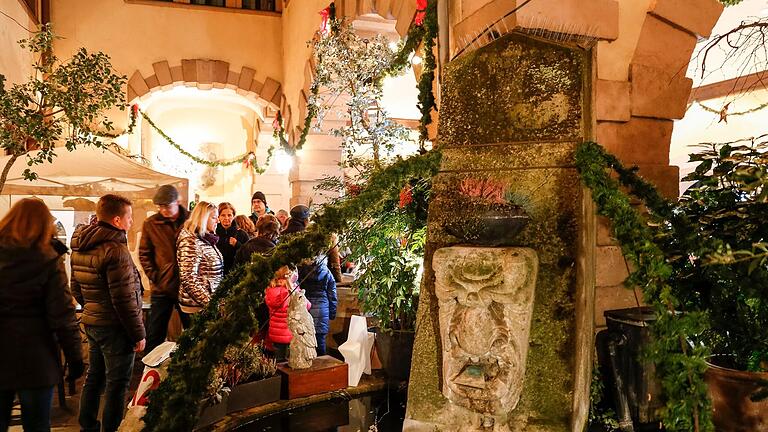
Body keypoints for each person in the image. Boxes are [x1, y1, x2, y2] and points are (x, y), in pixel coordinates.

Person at [0, 199, 84, 432]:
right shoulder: (48, 259)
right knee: (37, 425)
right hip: (36, 357)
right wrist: (75, 358)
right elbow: (63, 315)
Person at [71, 194, 145, 432]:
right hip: (116, 327)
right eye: (129, 217)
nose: (131, 222)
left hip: (93, 321)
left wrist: (93, 306)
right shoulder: (116, 250)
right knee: (117, 383)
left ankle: (87, 425)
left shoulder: (80, 246)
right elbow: (124, 300)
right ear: (116, 220)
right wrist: (138, 334)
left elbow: (76, 289)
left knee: (94, 376)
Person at [139, 184, 190, 354]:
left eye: (167, 206)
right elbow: (144, 254)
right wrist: (156, 277)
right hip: (162, 287)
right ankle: (151, 373)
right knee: (155, 333)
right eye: (160, 206)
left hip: (187, 286)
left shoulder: (190, 221)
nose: (163, 210)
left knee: (193, 331)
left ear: (178, 202)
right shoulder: (151, 224)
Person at [283, 206, 338, 355]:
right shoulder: (325, 272)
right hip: (322, 310)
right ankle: (321, 366)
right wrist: (332, 313)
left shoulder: (300, 270)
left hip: (304, 309)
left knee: (303, 343)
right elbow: (332, 293)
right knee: (320, 342)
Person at [177, 201, 223, 314]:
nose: (218, 221)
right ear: (203, 218)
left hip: (206, 302)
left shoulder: (206, 238)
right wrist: (210, 303)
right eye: (214, 217)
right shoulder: (191, 240)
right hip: (195, 306)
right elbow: (188, 278)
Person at [215, 202, 249, 275]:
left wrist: (237, 244)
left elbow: (248, 254)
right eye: (223, 215)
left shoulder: (242, 234)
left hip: (235, 274)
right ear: (218, 217)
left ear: (233, 216)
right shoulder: (213, 233)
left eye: (229, 215)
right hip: (217, 273)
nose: (226, 218)